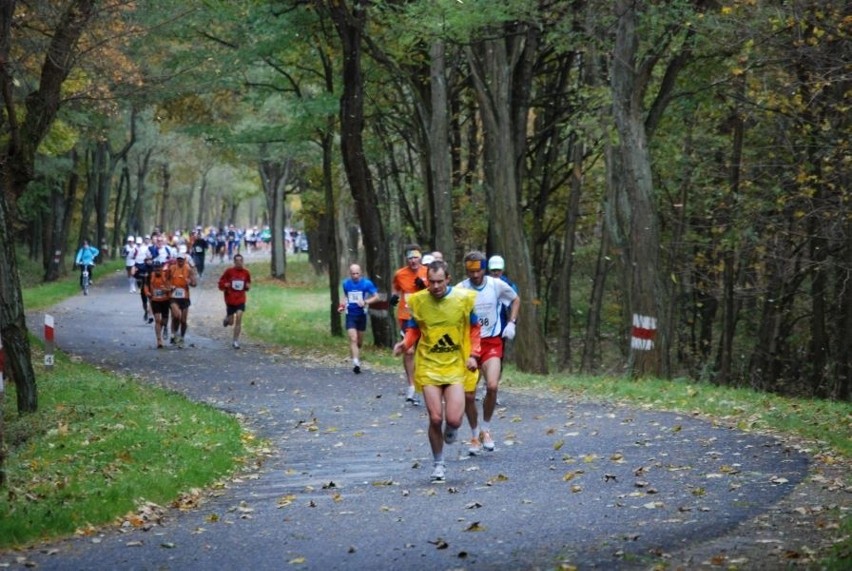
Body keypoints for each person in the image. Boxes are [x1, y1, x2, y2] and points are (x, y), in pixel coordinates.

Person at [393, 260, 480, 483]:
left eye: (440, 281)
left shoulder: (463, 298)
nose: (435, 286)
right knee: (435, 417)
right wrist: (405, 344)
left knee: (453, 420)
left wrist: (474, 354)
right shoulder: (419, 301)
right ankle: (438, 464)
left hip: (454, 366)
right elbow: (413, 329)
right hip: (429, 365)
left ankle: (451, 430)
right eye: (431, 282)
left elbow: (474, 328)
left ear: (448, 279)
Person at [457, 251, 519, 454]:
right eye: (471, 271)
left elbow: (516, 299)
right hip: (469, 346)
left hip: (492, 341)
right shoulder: (461, 289)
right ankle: (475, 435)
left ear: (484, 268)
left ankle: (486, 429)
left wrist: (511, 323)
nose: (475, 275)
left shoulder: (496, 285)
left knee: (492, 386)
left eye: (478, 270)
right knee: (468, 395)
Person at [391, 243, 428, 405]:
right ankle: (411, 385)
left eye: (416, 257)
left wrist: (424, 286)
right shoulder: (400, 274)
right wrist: (393, 297)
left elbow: (437, 290)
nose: (413, 260)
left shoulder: (428, 272)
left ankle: (426, 383)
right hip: (406, 315)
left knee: (424, 351)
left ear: (420, 257)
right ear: (406, 258)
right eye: (410, 257)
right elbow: (396, 288)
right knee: (409, 351)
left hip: (425, 316)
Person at [339, 264, 379, 374]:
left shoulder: (366, 284)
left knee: (359, 342)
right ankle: (356, 363)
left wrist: (366, 302)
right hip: (350, 314)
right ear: (350, 273)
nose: (355, 276)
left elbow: (376, 297)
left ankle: (354, 353)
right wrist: (342, 306)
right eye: (353, 274)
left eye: (357, 273)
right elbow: (345, 296)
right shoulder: (346, 283)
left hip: (361, 315)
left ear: (360, 273)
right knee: (353, 338)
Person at [219, 253, 252, 349]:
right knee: (230, 322)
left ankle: (235, 341)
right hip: (230, 300)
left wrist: (247, 286)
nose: (239, 263)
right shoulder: (229, 272)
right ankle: (226, 319)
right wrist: (225, 285)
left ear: (243, 261)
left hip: (240, 299)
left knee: (239, 317)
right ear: (234, 262)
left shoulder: (246, 273)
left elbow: (248, 284)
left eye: (241, 261)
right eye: (237, 261)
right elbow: (221, 283)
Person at [168, 253, 198, 348]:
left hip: (184, 297)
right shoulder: (172, 268)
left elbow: (194, 283)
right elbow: (166, 280)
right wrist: (170, 286)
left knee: (183, 321)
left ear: (184, 260)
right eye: (178, 259)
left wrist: (190, 282)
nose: (180, 261)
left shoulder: (189, 269)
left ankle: (182, 337)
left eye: (181, 259)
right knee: (176, 316)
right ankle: (174, 334)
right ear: (176, 259)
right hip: (174, 297)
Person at [144, 260, 171, 348]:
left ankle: (165, 327)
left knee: (164, 320)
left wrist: (166, 290)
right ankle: (159, 340)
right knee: (157, 320)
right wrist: (147, 292)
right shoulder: (150, 276)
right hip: (155, 300)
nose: (157, 270)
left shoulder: (166, 275)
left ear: (161, 268)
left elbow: (171, 287)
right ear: (154, 269)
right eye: (155, 268)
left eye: (159, 268)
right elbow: (146, 285)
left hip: (165, 300)